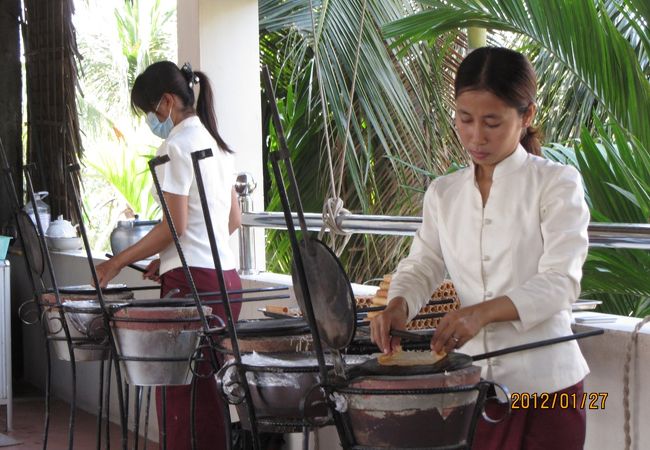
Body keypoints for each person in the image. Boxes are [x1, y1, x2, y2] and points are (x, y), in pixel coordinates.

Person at [370, 46, 590, 450]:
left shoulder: (556, 184)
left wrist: (481, 314)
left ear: (526, 117)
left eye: (492, 122)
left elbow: (561, 282)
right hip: (474, 388)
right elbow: (424, 262)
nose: (475, 136)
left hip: (548, 388)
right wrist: (398, 304)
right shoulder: (444, 193)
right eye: (464, 119)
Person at [94, 61, 241, 450]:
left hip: (191, 288)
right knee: (212, 393)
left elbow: (173, 225)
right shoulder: (216, 144)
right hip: (226, 282)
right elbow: (231, 220)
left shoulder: (173, 146)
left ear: (167, 101)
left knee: (180, 396)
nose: (151, 118)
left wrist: (116, 262)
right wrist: (172, 256)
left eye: (150, 110)